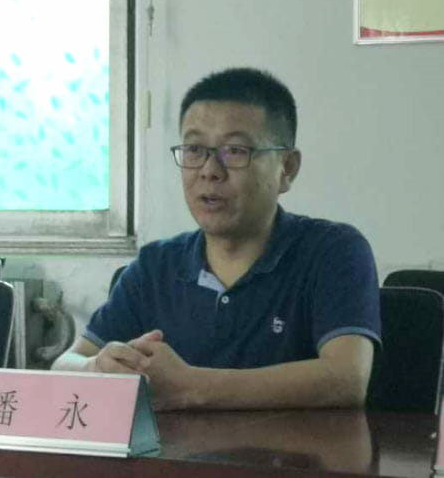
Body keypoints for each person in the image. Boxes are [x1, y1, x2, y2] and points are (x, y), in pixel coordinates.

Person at [52, 67, 381, 411]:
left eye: (235, 150)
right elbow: (64, 365)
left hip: (297, 448)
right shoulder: (155, 267)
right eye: (194, 149)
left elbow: (347, 377)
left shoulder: (332, 251)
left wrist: (192, 386)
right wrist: (98, 368)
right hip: (175, 449)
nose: (210, 170)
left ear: (287, 167)